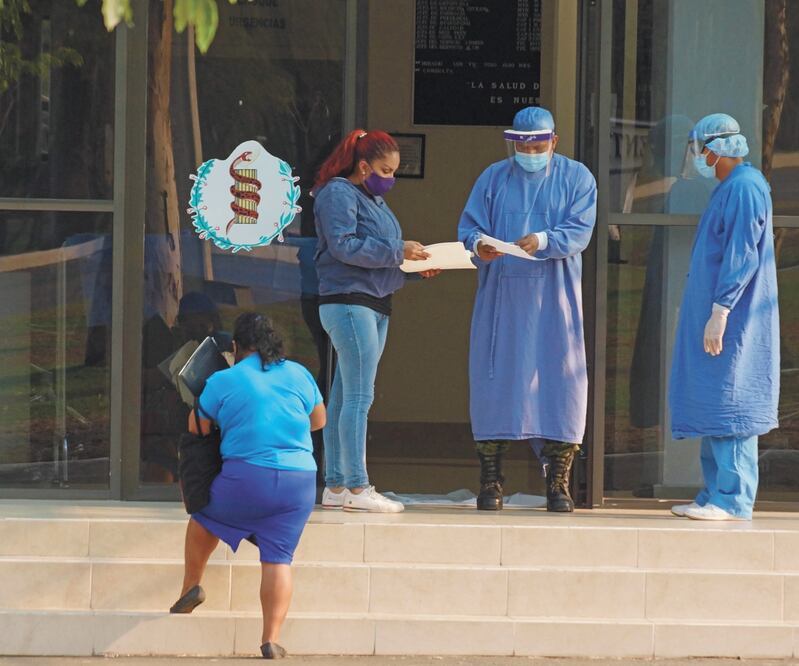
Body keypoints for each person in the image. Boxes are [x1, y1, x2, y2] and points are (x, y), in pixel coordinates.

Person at [457, 106, 597, 512]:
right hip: (502, 299)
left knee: (561, 382)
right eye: (523, 145)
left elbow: (579, 231)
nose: (531, 152)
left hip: (556, 300)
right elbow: (469, 228)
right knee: (495, 381)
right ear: (511, 144)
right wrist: (478, 245)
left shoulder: (577, 178)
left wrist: (543, 239)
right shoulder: (493, 179)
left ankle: (558, 482)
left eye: (538, 144)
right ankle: (491, 479)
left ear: (554, 141)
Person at [169, 312, 326, 659]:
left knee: (204, 516)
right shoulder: (298, 373)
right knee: (278, 559)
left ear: (236, 346)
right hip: (298, 484)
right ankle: (270, 639)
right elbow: (319, 420)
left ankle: (191, 585)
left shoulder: (224, 380)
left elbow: (198, 428)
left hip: (247, 478)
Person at [313, 129, 439, 513]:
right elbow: (344, 246)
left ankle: (335, 486)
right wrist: (397, 249)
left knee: (344, 395)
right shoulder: (338, 192)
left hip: (373, 300)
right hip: (350, 301)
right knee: (359, 395)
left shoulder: (373, 200)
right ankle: (356, 485)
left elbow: (381, 258)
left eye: (395, 171)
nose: (391, 178)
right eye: (385, 169)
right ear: (363, 165)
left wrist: (417, 267)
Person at [669, 113, 779, 522]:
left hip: (735, 316)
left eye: (701, 150)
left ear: (715, 150)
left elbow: (742, 253)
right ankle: (714, 493)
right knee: (715, 402)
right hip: (718, 312)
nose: (698, 157)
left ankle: (733, 500)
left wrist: (721, 308)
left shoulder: (746, 188)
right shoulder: (729, 188)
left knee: (732, 401)